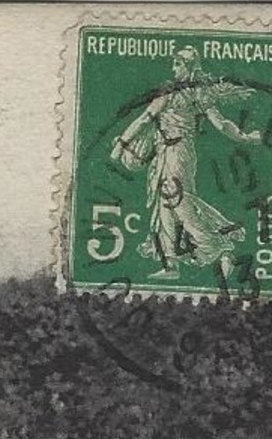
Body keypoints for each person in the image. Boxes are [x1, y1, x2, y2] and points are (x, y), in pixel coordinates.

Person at [111, 46, 261, 282]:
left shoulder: (173, 94)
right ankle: (171, 264)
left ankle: (218, 245)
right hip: (173, 153)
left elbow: (143, 120)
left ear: (188, 67)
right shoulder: (197, 94)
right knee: (167, 206)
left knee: (178, 202)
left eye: (177, 64)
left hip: (176, 153)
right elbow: (221, 124)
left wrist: (121, 144)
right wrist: (243, 136)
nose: (173, 68)